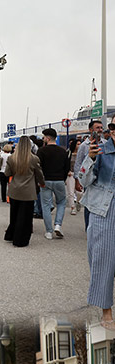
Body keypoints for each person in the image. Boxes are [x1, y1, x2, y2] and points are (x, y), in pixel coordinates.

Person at [78, 119, 115, 330]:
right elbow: (83, 180)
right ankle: (106, 311)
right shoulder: (99, 150)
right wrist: (90, 158)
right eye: (113, 127)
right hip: (104, 209)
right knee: (103, 261)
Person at [4, 137, 45, 247]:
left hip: (14, 190)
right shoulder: (34, 159)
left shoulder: (12, 158)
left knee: (14, 214)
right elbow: (39, 174)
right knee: (25, 217)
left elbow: (7, 173)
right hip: (28, 191)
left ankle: (11, 234)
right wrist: (42, 183)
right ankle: (21, 239)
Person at [37, 127, 70, 239]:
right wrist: (63, 179)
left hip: (45, 181)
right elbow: (67, 167)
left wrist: (40, 180)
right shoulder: (63, 151)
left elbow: (38, 167)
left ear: (48, 138)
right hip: (59, 180)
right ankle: (58, 225)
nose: (43, 139)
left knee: (46, 205)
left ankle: (49, 231)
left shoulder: (41, 151)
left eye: (44, 137)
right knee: (61, 202)